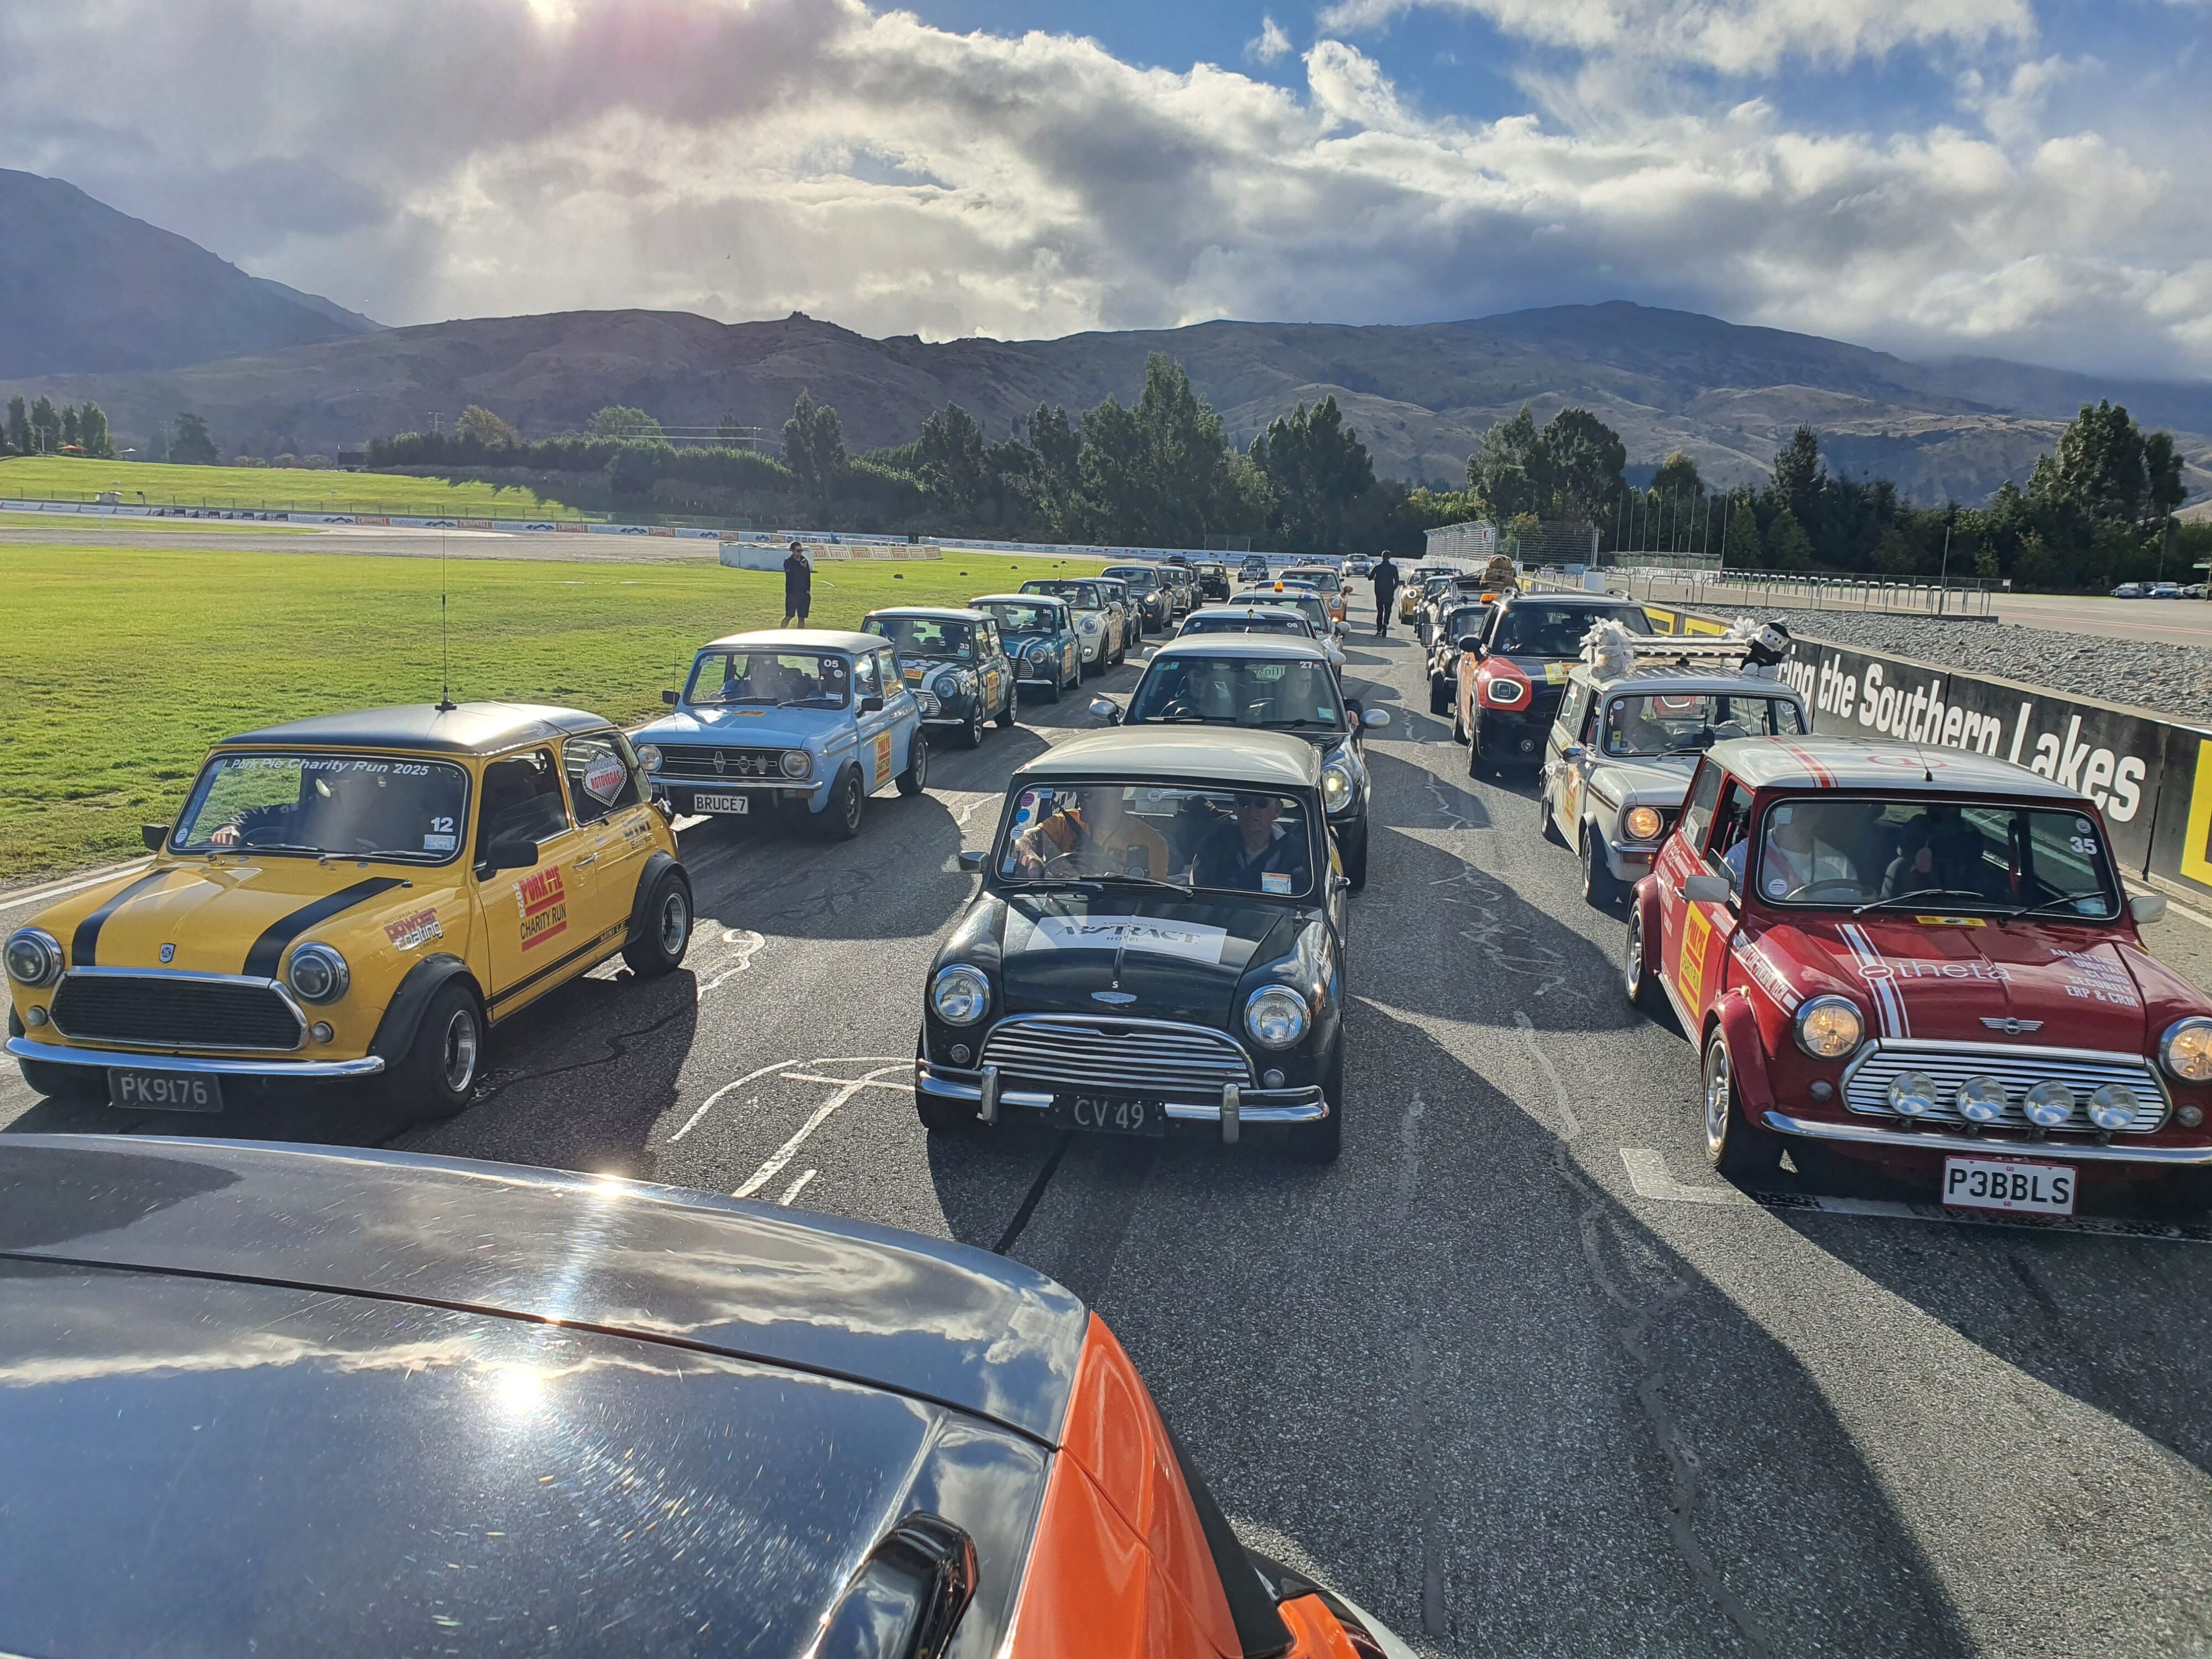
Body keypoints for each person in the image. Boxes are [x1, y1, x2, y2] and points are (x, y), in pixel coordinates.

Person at [1010, 785, 1170, 879]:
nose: (1079, 800)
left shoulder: (1151, 842)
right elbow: (1024, 838)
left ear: (1113, 795)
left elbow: (1153, 899)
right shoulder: (1066, 823)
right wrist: (1031, 858)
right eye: (1079, 793)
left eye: (1087, 794)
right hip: (1063, 909)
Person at [1192, 794, 1312, 893]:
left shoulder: (1297, 852)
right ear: (1236, 807)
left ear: (1277, 810)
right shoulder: (1213, 845)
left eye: (1261, 804)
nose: (1251, 810)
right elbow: (1200, 893)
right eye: (1244, 802)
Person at [782, 541, 812, 628]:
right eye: (798, 551)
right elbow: (792, 574)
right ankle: (780, 632)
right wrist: (801, 567)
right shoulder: (788, 562)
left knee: (802, 617)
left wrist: (808, 590)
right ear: (792, 551)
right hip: (792, 593)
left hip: (804, 593)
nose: (800, 553)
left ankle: (801, 636)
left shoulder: (804, 561)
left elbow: (808, 576)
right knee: (789, 616)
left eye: (801, 551)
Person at [1370, 554, 1400, 638]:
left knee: (1380, 612)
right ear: (1390, 558)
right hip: (1389, 593)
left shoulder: (1378, 568)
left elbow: (1370, 577)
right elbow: (1397, 581)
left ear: (1382, 557)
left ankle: (1379, 631)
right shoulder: (1393, 568)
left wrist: (1374, 578)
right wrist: (1393, 589)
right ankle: (1385, 624)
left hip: (1379, 594)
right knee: (1388, 610)